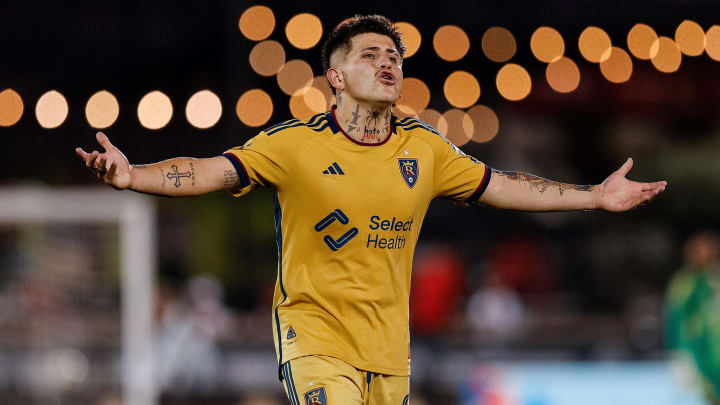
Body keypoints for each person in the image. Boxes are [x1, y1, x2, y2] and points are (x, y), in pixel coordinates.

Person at [76, 14, 666, 405]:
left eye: (395, 56)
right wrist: (134, 177)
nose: (389, 64)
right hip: (314, 337)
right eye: (371, 56)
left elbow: (504, 185)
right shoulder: (295, 145)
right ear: (335, 75)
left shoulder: (425, 149)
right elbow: (209, 169)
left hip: (389, 351)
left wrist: (592, 196)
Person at [666, 231, 720, 404]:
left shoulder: (714, 277)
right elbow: (675, 318)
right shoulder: (685, 282)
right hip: (701, 351)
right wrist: (677, 354)